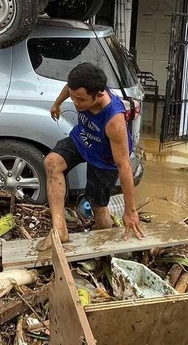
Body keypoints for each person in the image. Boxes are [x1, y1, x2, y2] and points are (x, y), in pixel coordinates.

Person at [41, 62, 145, 246]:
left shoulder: (114, 120)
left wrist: (130, 210)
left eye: (80, 100)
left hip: (105, 159)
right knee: (52, 162)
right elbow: (70, 88)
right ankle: (59, 228)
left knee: (98, 208)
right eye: (74, 98)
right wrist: (56, 103)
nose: (76, 103)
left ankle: (105, 245)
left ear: (98, 94)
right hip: (84, 140)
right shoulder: (81, 89)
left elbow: (124, 166)